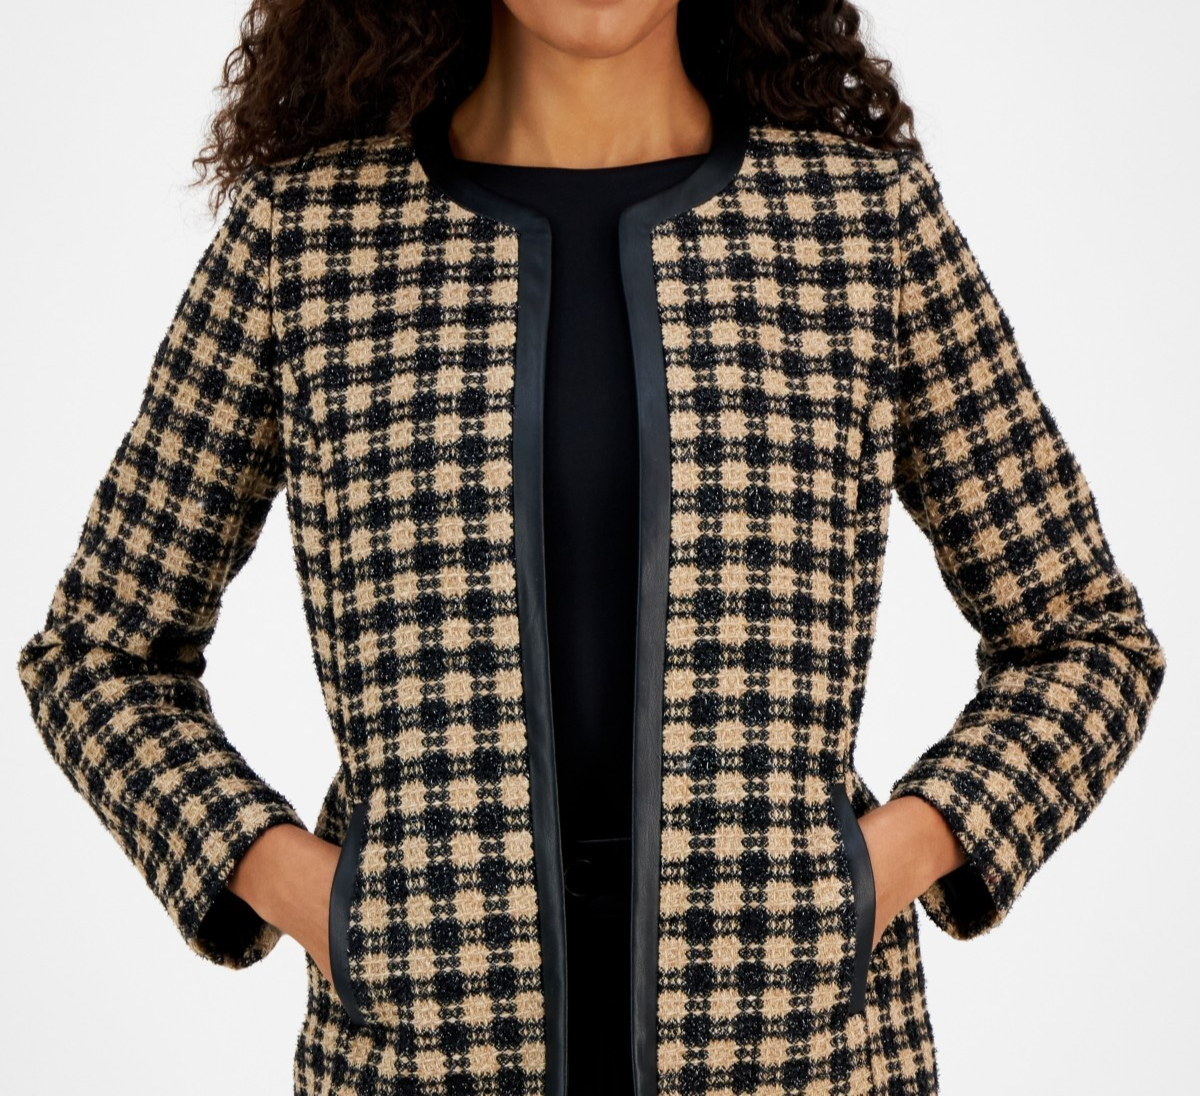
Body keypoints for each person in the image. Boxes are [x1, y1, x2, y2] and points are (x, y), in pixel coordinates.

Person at [16, 2, 1167, 1095]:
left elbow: (1084, 636)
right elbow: (98, 653)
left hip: (798, 1049)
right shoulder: (309, 239)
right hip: (424, 1053)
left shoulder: (858, 226)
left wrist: (878, 869)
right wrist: (309, 890)